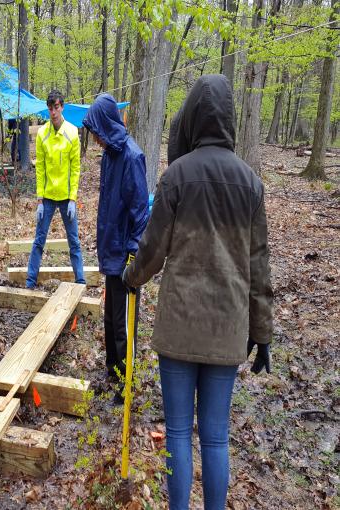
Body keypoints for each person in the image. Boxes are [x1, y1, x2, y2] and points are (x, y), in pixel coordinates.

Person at [122, 74, 273, 509]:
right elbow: (259, 266)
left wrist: (131, 278)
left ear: (193, 117)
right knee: (215, 437)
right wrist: (262, 333)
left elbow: (152, 251)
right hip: (227, 330)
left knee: (176, 433)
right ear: (227, 118)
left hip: (179, 329)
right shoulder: (250, 184)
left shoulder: (177, 177)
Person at [82, 94, 149, 400]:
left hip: (125, 256)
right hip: (110, 251)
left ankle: (127, 380)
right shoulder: (109, 155)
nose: (94, 138)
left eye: (96, 132)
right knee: (110, 318)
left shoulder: (132, 157)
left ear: (107, 126)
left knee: (123, 323)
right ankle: (113, 370)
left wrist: (133, 255)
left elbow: (139, 212)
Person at [26, 90, 85, 289]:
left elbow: (76, 168)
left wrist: (73, 198)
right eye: (50, 108)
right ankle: (30, 281)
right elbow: (40, 168)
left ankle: (80, 281)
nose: (53, 112)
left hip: (66, 197)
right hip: (48, 197)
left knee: (74, 241)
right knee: (39, 240)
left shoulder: (72, 132)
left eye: (57, 107)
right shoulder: (42, 134)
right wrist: (39, 199)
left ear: (62, 107)